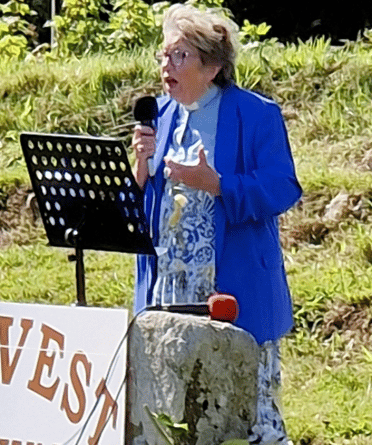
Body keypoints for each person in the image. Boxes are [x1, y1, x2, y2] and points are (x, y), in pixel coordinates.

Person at [131, 4, 301, 445]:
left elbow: (283, 188)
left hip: (233, 289)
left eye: (179, 55)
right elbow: (145, 208)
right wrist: (141, 170)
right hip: (169, 289)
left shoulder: (256, 113)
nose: (165, 65)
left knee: (248, 420)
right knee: (171, 412)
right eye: (163, 55)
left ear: (212, 67)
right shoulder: (162, 117)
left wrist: (219, 184)